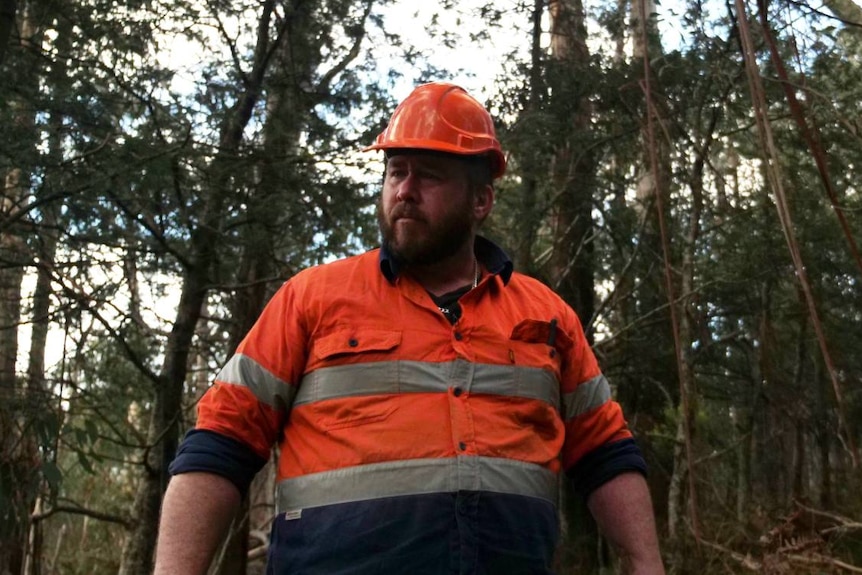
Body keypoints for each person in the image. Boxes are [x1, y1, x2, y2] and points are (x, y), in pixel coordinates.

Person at [154, 81, 665, 575]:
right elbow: (220, 441)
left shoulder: (548, 318)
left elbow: (606, 454)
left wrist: (646, 565)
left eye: (430, 175)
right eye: (396, 172)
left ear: (481, 201)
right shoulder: (311, 299)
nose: (405, 190)